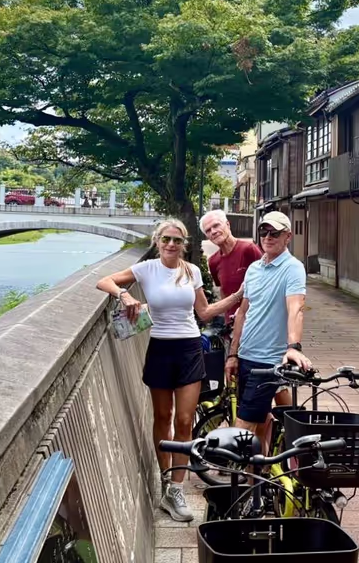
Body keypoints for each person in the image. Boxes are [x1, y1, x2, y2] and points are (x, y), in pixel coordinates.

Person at [95, 218, 244, 522]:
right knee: (163, 417)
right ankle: (165, 479)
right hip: (160, 348)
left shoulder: (192, 271)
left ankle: (177, 488)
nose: (171, 244)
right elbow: (104, 281)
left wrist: (238, 297)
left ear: (183, 244)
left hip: (190, 348)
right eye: (166, 239)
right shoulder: (146, 269)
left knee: (185, 419)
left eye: (177, 240)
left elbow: (203, 312)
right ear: (158, 241)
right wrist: (124, 294)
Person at [224, 211, 311, 452]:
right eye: (264, 232)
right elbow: (242, 313)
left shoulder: (293, 268)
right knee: (259, 431)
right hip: (246, 357)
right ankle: (257, 485)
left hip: (268, 363)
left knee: (241, 432)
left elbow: (296, 308)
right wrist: (233, 354)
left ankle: (241, 481)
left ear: (288, 237)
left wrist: (293, 347)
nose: (268, 237)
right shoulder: (254, 269)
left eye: (275, 233)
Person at [201, 209, 262, 325]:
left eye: (216, 225)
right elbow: (224, 291)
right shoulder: (213, 261)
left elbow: (268, 283)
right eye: (208, 230)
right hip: (231, 325)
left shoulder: (249, 249)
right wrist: (226, 318)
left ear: (227, 224)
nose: (213, 232)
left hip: (254, 322)